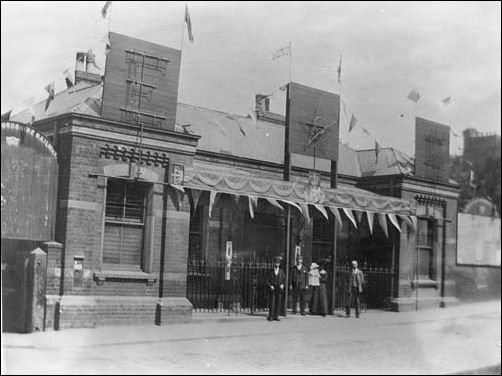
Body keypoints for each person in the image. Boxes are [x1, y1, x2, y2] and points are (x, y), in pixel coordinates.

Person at [266, 256, 285, 321]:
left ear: (279, 264)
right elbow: (267, 280)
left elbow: (284, 280)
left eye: (278, 263)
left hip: (279, 289)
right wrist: (270, 285)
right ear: (274, 263)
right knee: (272, 303)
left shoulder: (281, 271)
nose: (277, 264)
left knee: (278, 302)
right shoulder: (270, 271)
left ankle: (276, 316)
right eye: (276, 263)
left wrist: (283, 284)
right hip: (273, 288)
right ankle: (271, 316)